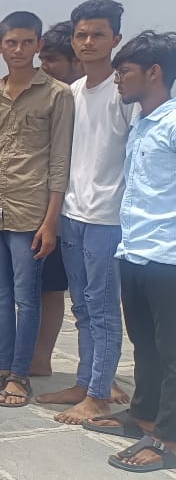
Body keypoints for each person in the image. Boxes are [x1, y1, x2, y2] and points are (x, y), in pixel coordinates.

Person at [0, 12, 74, 409]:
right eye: (12, 43)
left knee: (28, 296)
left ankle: (21, 376)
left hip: (30, 210)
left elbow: (60, 160)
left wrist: (51, 220)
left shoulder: (58, 94)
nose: (20, 50)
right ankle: (3, 368)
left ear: (39, 45)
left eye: (28, 42)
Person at [36, 0, 135, 424]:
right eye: (81, 34)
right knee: (82, 306)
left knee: (103, 310)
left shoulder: (124, 94)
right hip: (72, 214)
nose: (88, 42)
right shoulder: (72, 94)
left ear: (116, 39)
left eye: (97, 34)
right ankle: (85, 382)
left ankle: (98, 394)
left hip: (107, 220)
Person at [91, 29, 176, 474]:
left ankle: (168, 439)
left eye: (124, 70)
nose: (117, 78)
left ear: (154, 72)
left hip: (170, 258)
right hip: (137, 251)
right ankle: (143, 415)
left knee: (173, 351)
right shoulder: (143, 121)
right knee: (145, 343)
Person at [30, 20, 85, 383]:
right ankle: (38, 358)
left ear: (75, 61)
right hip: (42, 206)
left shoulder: (83, 96)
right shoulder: (43, 95)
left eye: (51, 60)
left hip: (82, 211)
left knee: (87, 299)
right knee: (43, 287)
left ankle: (98, 372)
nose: (43, 67)